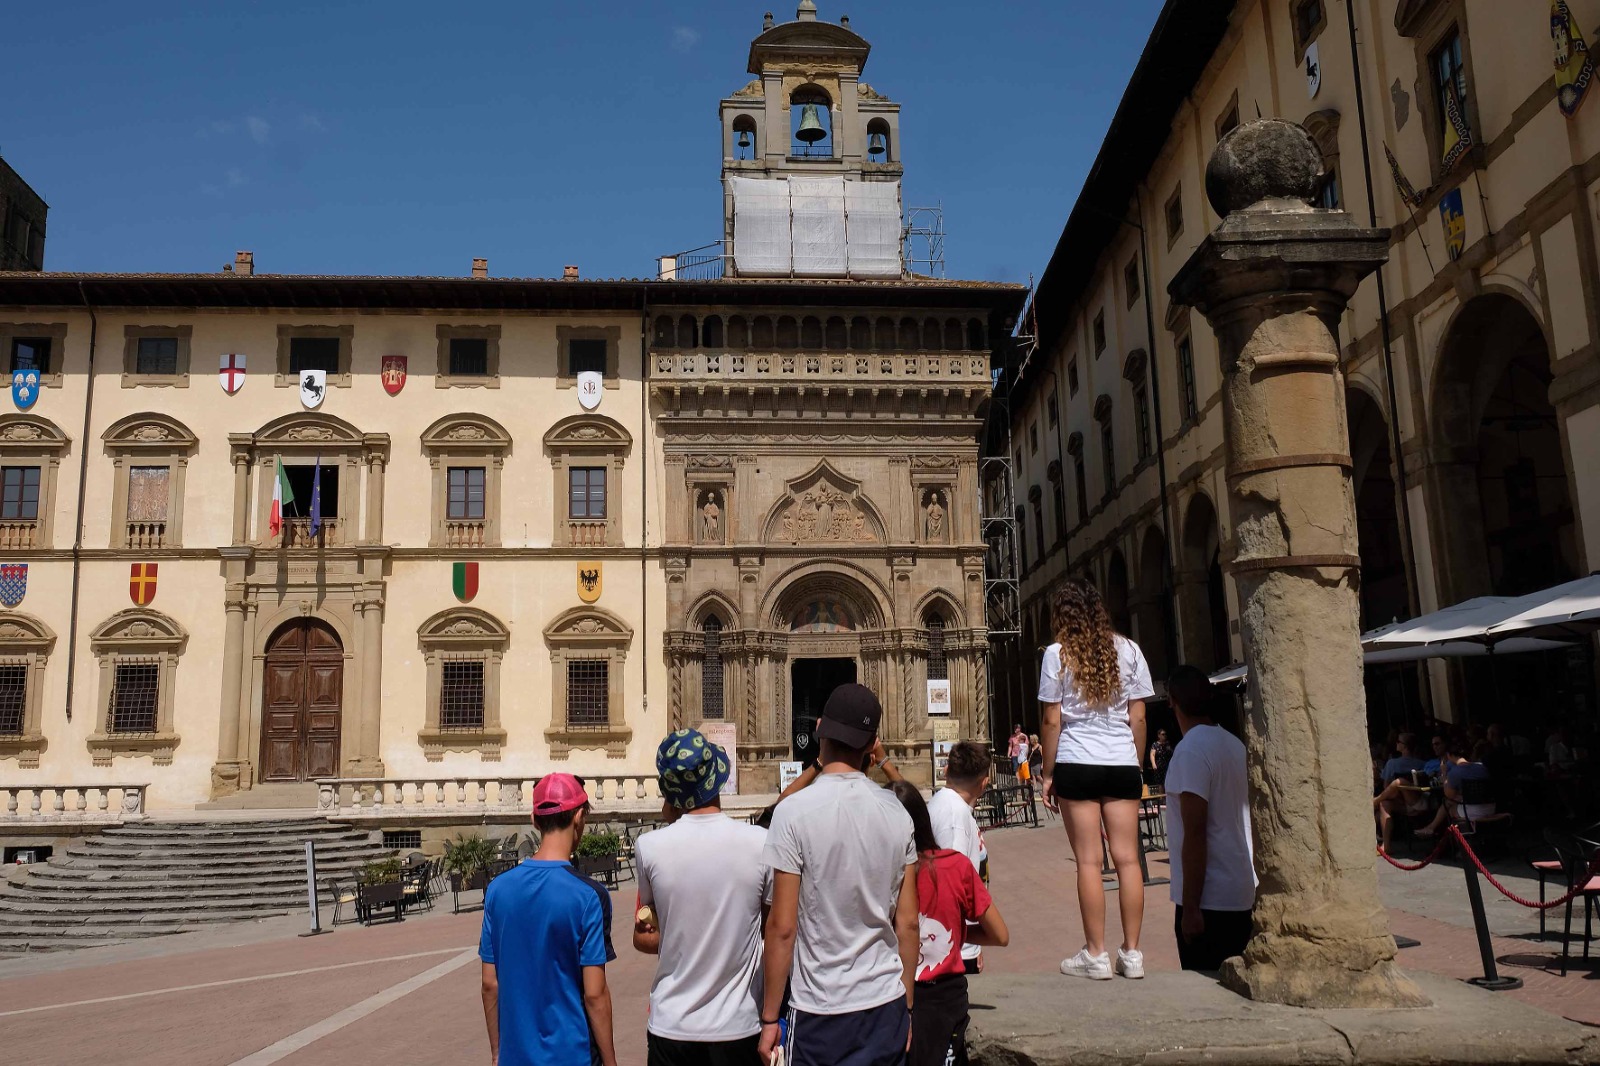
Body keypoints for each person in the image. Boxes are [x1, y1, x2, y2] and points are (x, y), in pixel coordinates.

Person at [759, 683, 920, 1066]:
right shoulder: (897, 813)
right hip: (885, 1001)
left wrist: (768, 1017)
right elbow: (909, 922)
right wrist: (908, 1006)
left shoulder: (793, 812)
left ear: (819, 729)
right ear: (872, 745)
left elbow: (782, 927)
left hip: (821, 1007)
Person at [1038, 577, 1155, 981]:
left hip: (1076, 760)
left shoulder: (1057, 655)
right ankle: (1134, 954)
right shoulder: (1130, 650)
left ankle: (1096, 955)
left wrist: (1047, 773)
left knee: (1088, 861)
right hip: (1122, 760)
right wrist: (1136, 765)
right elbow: (1138, 716)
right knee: (1128, 860)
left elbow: (1052, 719)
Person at [633, 728, 768, 1066]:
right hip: (737, 1025)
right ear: (717, 780)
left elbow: (648, 928)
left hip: (671, 1025)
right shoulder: (759, 842)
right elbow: (774, 929)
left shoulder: (650, 847)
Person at [480, 773, 618, 1066]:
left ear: (534, 819)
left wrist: (497, 1052)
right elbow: (595, 994)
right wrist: (610, 1061)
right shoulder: (589, 896)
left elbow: (490, 984)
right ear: (579, 817)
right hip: (573, 1054)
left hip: (515, 1056)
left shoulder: (497, 890)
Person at [886, 780, 1009, 1066]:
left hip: (888, 994)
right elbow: (1000, 934)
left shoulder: (877, 870)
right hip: (945, 997)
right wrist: (959, 929)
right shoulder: (955, 866)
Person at [1163, 666, 1255, 971]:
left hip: (1209, 899)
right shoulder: (1234, 744)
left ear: (1172, 702)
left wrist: (1190, 907)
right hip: (1241, 889)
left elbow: (1196, 831)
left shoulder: (1190, 751)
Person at [925, 740, 992, 973]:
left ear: (946, 771)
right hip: (952, 948)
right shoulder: (953, 818)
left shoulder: (955, 808)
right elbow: (950, 886)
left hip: (960, 941)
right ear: (984, 783)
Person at [1415, 739, 1495, 838]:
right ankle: (1432, 828)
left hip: (1473, 811)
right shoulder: (1482, 767)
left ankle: (1455, 841)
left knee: (1448, 804)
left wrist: (1444, 774)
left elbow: (1448, 794)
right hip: (1491, 807)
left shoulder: (1455, 772)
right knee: (1451, 802)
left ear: (1449, 755)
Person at [1372, 734, 1431, 852]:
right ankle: (1386, 845)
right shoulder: (1422, 763)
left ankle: (1374, 801)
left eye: (1398, 741)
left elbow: (1386, 787)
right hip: (1408, 803)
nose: (1396, 743)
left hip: (1416, 801)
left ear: (1405, 746)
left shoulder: (1392, 763)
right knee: (1385, 804)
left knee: (1398, 783)